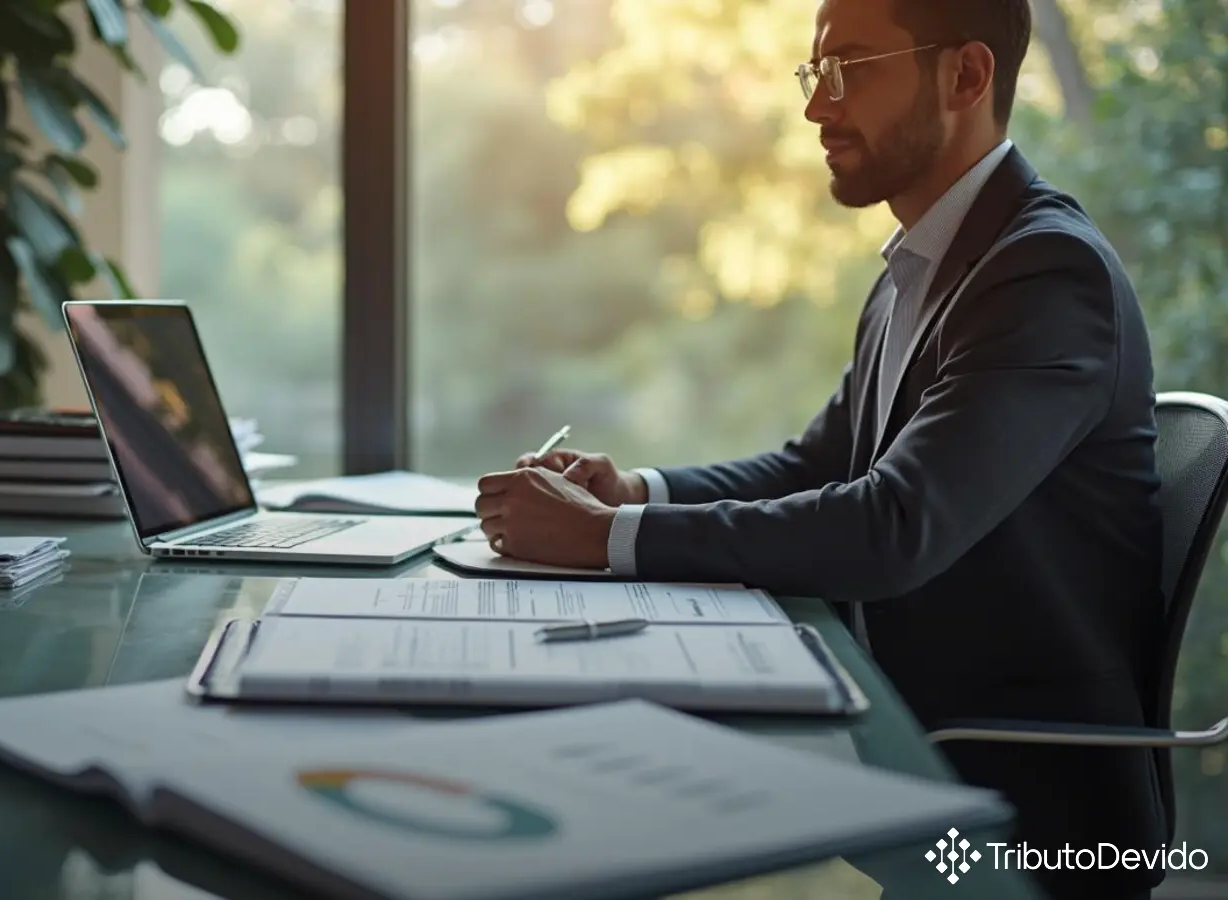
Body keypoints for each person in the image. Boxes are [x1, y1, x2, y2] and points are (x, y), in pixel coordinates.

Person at [474, 1, 1167, 897]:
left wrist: (603, 538)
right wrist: (633, 492)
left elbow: (894, 527)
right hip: (932, 771)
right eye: (816, 73)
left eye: (851, 68)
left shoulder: (1045, 275)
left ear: (966, 76)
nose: (816, 108)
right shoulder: (923, 270)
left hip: (1030, 830)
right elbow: (817, 466)